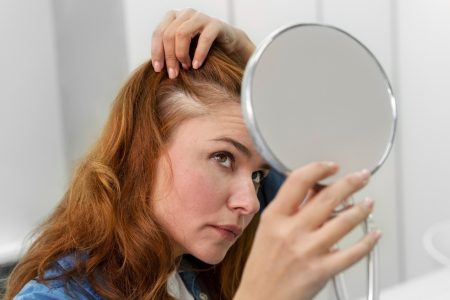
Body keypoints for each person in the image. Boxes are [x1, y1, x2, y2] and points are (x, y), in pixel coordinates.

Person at [5, 9, 380, 300]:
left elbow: (319, 163)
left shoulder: (188, 264)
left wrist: (255, 65)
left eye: (258, 176)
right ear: (143, 150)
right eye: (223, 158)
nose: (249, 203)